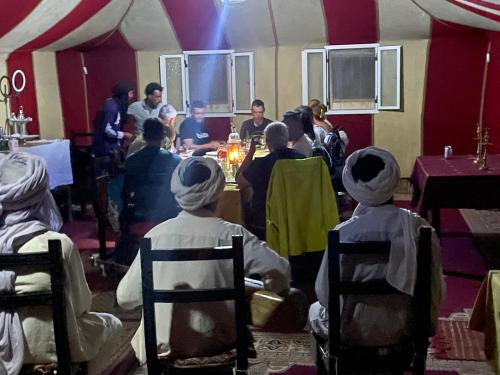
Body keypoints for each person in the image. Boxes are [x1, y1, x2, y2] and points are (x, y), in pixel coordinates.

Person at [117, 157, 291, 363]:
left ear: (178, 192)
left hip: (162, 347)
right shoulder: (234, 235)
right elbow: (281, 271)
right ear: (219, 192)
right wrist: (260, 289)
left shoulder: (155, 236)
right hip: (220, 344)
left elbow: (126, 298)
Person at [309, 147, 445, 346]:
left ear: (353, 187)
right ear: (393, 179)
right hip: (407, 328)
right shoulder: (419, 228)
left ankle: (335, 362)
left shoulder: (343, 233)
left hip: (351, 329)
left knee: (313, 312)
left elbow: (324, 292)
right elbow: (436, 287)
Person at [0, 153, 122, 374]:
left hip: (2, 350)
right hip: (52, 347)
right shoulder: (58, 243)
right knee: (112, 324)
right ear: (41, 194)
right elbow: (81, 303)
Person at [236, 122, 305, 239]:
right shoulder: (302, 159)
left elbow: (239, 181)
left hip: (265, 219)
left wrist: (250, 152)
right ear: (287, 139)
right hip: (296, 216)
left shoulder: (261, 164)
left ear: (267, 142)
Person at [93, 81, 134, 157]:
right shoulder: (111, 107)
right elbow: (108, 130)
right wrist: (124, 135)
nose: (132, 96)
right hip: (106, 149)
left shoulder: (117, 105)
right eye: (131, 93)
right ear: (124, 94)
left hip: (113, 147)